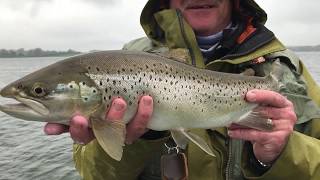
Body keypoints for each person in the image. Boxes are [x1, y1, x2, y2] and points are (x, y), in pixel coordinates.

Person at [44, 0, 320, 179]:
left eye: (39, 92)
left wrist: (282, 153)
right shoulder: (121, 62)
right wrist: (135, 139)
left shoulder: (285, 67)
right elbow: (93, 175)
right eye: (40, 92)